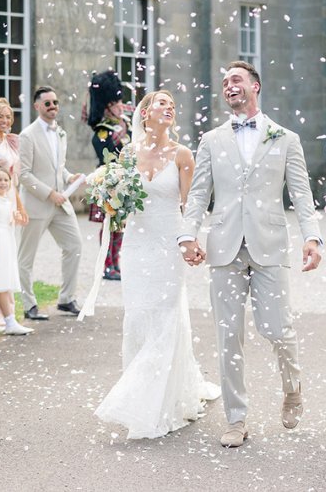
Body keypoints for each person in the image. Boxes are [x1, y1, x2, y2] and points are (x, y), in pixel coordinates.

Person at [180, 61, 322, 448]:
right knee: (229, 336)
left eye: (236, 80)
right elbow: (198, 194)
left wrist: (312, 238)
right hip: (224, 248)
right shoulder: (211, 140)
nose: (229, 86)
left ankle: (292, 388)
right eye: (224, 82)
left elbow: (302, 194)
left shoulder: (286, 138)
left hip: (269, 246)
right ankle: (236, 418)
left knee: (278, 329)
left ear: (255, 86)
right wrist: (186, 236)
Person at [95, 90, 219, 439]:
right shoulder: (127, 154)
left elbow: (190, 206)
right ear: (145, 113)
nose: (169, 108)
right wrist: (110, 201)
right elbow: (118, 206)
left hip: (166, 247)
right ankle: (140, 394)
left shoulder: (183, 155)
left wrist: (190, 241)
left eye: (173, 106)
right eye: (162, 103)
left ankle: (153, 403)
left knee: (165, 318)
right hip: (135, 247)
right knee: (137, 317)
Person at [18, 86, 83, 321]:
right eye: (47, 103)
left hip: (60, 205)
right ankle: (29, 304)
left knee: (75, 246)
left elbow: (57, 165)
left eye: (55, 102)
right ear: (37, 106)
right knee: (26, 257)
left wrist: (68, 177)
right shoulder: (27, 135)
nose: (53, 106)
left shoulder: (59, 133)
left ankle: (66, 299)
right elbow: (23, 174)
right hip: (36, 205)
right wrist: (49, 194)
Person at [87, 71, 128, 281]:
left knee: (120, 226)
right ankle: (107, 264)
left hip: (124, 182)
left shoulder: (123, 125)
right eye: (116, 103)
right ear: (107, 106)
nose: (120, 106)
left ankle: (116, 262)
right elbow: (107, 155)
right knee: (109, 226)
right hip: (108, 182)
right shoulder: (103, 130)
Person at [0, 165, 30, 335]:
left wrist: (14, 218)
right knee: (0, 284)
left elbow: (10, 222)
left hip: (6, 242)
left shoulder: (7, 201)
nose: (3, 183)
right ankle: (10, 322)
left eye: (6, 180)